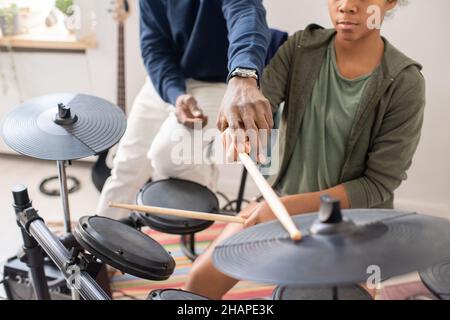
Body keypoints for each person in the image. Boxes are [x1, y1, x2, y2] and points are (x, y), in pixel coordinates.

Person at [185, 0, 425, 299]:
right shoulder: (302, 47)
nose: (347, 6)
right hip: (280, 203)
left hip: (352, 224)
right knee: (199, 283)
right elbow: (261, 108)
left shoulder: (404, 82)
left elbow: (377, 184)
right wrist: (242, 123)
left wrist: (286, 208)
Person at [96, 0, 287, 219]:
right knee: (125, 165)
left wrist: (243, 75)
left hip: (219, 79)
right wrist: (175, 94)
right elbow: (155, 48)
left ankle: (206, 189)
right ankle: (98, 242)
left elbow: (246, 11)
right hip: (168, 79)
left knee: (166, 156)